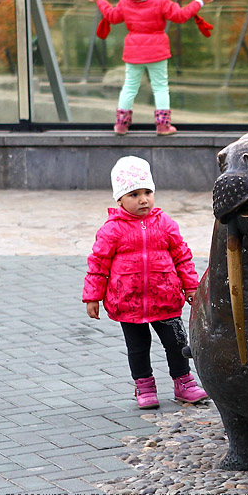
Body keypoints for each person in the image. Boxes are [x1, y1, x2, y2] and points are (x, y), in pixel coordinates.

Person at [82, 156, 208, 408]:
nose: (143, 199)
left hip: (166, 298)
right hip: (128, 302)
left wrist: (191, 286)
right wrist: (92, 296)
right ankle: (144, 386)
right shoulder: (112, 229)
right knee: (138, 348)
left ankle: (183, 381)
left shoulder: (166, 224)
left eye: (147, 192)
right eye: (134, 194)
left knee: (177, 343)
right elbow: (98, 264)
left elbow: (182, 256)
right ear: (119, 199)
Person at [87, 0, 215, 136]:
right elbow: (180, 15)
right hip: (157, 51)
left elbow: (111, 16)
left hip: (133, 52)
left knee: (129, 87)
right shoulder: (161, 1)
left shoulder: (126, 1)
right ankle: (163, 126)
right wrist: (199, 1)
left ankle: (121, 125)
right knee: (160, 88)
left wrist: (100, 1)